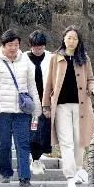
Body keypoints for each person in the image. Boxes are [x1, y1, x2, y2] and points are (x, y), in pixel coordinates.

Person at [42, 26, 94, 187]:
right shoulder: (56, 58)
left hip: (81, 106)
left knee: (79, 141)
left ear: (79, 41)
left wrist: (93, 88)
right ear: (64, 39)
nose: (71, 41)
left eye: (75, 38)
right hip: (61, 106)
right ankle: (70, 178)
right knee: (66, 142)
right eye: (69, 38)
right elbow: (49, 83)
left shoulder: (84, 58)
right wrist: (46, 105)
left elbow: (91, 79)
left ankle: (79, 168)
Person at [0, 29, 42, 187]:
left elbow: (32, 86)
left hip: (22, 111)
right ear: (3, 45)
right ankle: (6, 173)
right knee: (4, 144)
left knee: (23, 144)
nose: (13, 48)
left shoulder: (25, 61)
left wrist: (37, 108)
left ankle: (25, 178)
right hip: (2, 111)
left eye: (16, 45)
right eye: (10, 45)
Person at [26, 30, 53, 175]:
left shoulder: (51, 57)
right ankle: (35, 159)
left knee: (45, 132)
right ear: (31, 45)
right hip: (30, 102)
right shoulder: (23, 58)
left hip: (47, 101)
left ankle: (38, 157)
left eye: (41, 47)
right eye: (36, 47)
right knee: (34, 132)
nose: (38, 50)